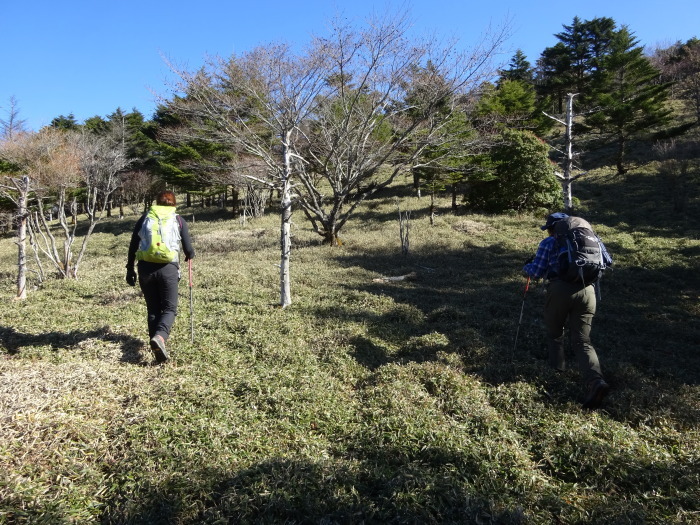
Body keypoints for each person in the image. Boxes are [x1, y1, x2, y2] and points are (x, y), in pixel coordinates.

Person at [523, 212, 611, 409]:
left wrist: (526, 266)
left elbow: (536, 272)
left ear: (555, 228)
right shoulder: (592, 239)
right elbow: (607, 262)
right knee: (583, 340)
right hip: (588, 290)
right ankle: (595, 381)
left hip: (560, 289)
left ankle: (556, 373)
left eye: (549, 228)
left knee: (555, 334)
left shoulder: (549, 243)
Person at [126, 191, 195, 363]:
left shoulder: (145, 219)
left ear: (156, 203)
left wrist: (129, 269)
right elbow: (188, 249)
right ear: (173, 204)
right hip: (168, 269)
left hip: (145, 269)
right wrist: (189, 254)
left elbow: (133, 245)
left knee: (153, 309)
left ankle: (155, 345)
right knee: (170, 309)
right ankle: (160, 337)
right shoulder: (178, 219)